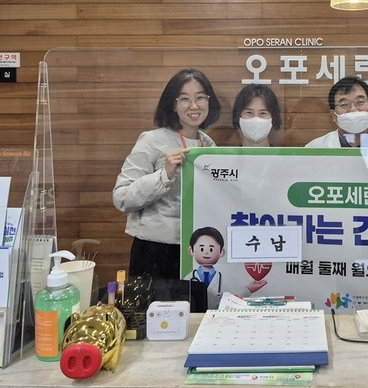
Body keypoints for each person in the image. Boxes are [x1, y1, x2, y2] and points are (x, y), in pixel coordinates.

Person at [113, 68, 220, 301]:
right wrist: (164, 174)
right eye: (185, 99)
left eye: (200, 97)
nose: (194, 105)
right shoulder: (152, 140)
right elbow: (122, 197)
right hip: (155, 251)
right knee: (153, 318)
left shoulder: (209, 145)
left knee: (194, 317)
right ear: (173, 104)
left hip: (196, 252)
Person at [185, 226, 267, 309]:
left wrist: (249, 289)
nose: (206, 252)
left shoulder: (226, 279)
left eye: (211, 249)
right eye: (202, 249)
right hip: (195, 316)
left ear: (221, 252)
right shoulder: (188, 279)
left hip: (218, 316)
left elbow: (234, 300)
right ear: (191, 251)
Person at [305, 76, 368, 149]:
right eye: (344, 104)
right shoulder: (313, 149)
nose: (353, 109)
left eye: (360, 102)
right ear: (333, 115)